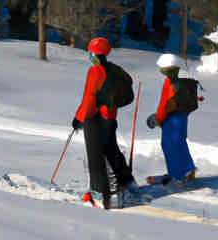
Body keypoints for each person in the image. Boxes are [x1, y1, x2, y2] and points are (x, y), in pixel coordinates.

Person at [72, 37, 137, 209]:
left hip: (95, 118)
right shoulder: (113, 69)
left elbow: (89, 98)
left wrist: (79, 118)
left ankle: (100, 193)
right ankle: (127, 182)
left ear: (96, 54)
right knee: (111, 149)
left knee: (95, 156)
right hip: (109, 117)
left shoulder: (95, 71)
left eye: (91, 52)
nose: (90, 55)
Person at [146, 53, 196, 185]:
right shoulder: (181, 81)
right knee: (179, 142)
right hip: (182, 117)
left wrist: (157, 119)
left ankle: (177, 175)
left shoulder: (171, 84)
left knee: (170, 144)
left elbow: (165, 104)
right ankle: (188, 170)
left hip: (172, 118)